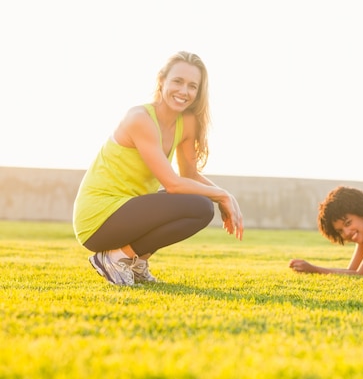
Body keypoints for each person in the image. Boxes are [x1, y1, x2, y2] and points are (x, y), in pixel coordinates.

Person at [73, 51, 244, 286]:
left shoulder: (187, 123)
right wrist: (222, 195)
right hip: (98, 217)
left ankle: (136, 262)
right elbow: (173, 184)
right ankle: (115, 258)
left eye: (192, 86)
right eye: (177, 81)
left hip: (130, 211)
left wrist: (224, 195)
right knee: (201, 203)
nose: (184, 91)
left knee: (202, 209)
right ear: (162, 80)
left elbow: (190, 176)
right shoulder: (139, 118)